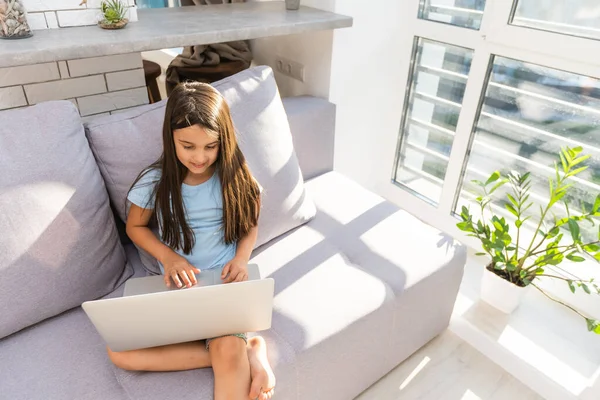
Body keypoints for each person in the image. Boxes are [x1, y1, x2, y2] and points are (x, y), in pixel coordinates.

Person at [105, 81, 276, 400]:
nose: (200, 157)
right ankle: (251, 349)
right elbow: (135, 227)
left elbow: (251, 223)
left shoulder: (233, 173)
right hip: (176, 287)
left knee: (226, 352)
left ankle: (237, 348)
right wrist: (170, 258)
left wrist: (241, 259)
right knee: (119, 352)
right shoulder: (154, 181)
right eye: (188, 146)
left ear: (222, 140)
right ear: (170, 138)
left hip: (223, 284)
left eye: (210, 146)